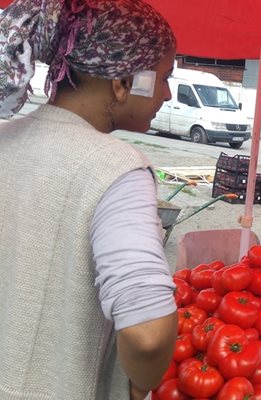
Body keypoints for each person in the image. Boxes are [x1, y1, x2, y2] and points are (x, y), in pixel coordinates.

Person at [0, 1, 178, 399]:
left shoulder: (4, 140)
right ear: (122, 82)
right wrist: (140, 387)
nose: (167, 93)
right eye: (164, 77)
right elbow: (149, 333)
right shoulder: (115, 168)